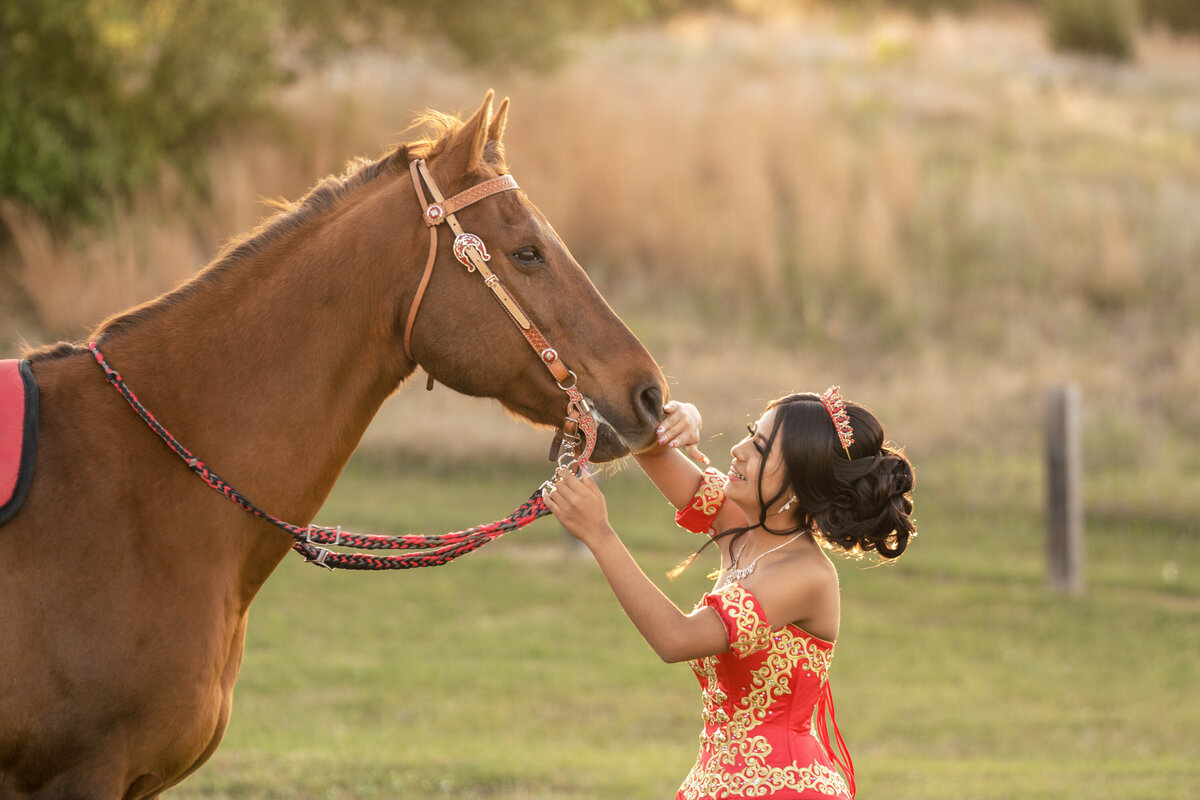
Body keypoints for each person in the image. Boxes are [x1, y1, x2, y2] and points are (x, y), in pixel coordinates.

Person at [542, 387, 916, 799]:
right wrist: (673, 417)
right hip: (711, 786)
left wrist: (600, 535)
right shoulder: (745, 525)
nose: (737, 449)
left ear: (798, 483)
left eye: (759, 447)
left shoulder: (805, 575)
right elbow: (645, 445)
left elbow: (676, 639)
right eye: (751, 433)